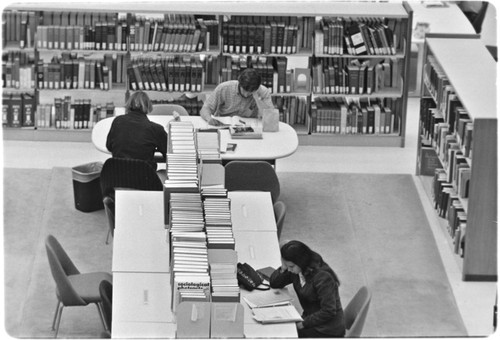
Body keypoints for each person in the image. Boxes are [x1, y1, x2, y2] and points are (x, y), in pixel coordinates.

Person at [269, 240, 346, 338]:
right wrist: (283, 268)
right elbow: (275, 283)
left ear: (301, 261)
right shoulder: (297, 269)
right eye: (287, 266)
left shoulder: (323, 277)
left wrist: (304, 324)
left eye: (291, 266)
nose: (289, 270)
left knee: (282, 334)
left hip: (327, 329)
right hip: (311, 319)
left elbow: (328, 311)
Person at [106, 91, 168, 172]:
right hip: (143, 179)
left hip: (118, 177)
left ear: (129, 104)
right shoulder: (156, 129)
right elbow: (168, 154)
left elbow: (109, 146)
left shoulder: (117, 121)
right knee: (164, 172)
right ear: (148, 106)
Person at [200, 68, 274, 125]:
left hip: (249, 128)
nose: (246, 95)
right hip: (225, 125)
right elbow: (206, 108)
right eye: (244, 91)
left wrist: (257, 99)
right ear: (239, 83)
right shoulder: (224, 88)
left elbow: (270, 118)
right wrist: (209, 119)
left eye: (250, 93)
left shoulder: (263, 92)